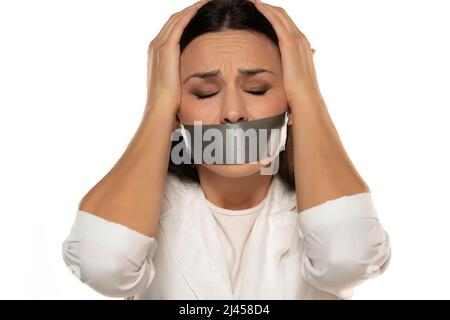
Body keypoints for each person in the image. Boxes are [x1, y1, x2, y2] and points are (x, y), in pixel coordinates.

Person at [62, 0, 391, 300]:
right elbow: (101, 264)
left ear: (289, 100)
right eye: (205, 93)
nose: (233, 112)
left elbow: (348, 258)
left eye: (256, 89)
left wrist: (308, 94)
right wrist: (159, 105)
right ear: (177, 108)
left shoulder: (319, 209)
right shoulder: (144, 213)